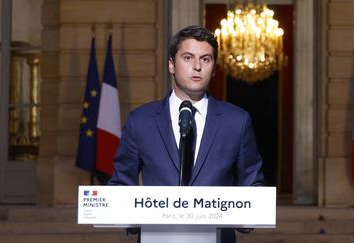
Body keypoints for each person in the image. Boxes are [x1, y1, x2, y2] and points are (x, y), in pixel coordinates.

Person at [108, 25, 265, 243]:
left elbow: (253, 185)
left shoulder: (237, 122)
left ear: (214, 68)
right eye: (188, 58)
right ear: (171, 65)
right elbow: (120, 185)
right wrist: (130, 215)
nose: (197, 67)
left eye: (206, 59)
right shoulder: (140, 121)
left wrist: (247, 215)